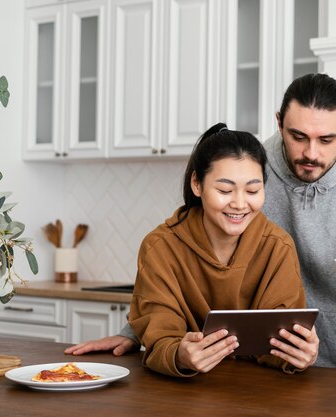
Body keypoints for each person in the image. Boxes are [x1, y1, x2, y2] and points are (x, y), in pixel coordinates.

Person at [66, 73, 336, 372]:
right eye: (298, 136)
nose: (310, 153)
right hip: (250, 368)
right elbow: (184, 259)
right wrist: (147, 334)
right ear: (279, 123)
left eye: (327, 139)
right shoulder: (247, 166)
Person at [123, 123, 318, 377]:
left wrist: (298, 353)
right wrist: (179, 354)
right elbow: (159, 339)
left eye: (252, 190)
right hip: (180, 396)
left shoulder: (277, 246)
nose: (239, 204)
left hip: (260, 394)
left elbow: (280, 342)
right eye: (225, 190)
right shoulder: (160, 247)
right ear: (197, 184)